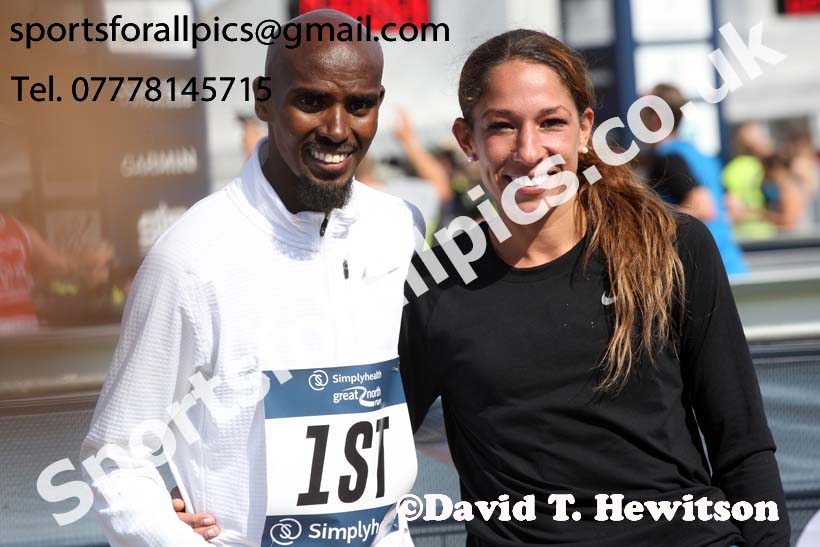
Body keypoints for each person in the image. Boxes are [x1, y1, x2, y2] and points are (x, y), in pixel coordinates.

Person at [179, 29, 789, 547]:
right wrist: (201, 496)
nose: (529, 153)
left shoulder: (675, 248)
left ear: (584, 130)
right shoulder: (432, 286)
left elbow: (743, 446)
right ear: (467, 139)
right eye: (502, 127)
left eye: (550, 123)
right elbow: (342, 439)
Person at [82, 10, 422, 546]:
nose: (337, 129)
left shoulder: (399, 228)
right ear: (264, 98)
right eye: (311, 101)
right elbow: (114, 459)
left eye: (359, 106)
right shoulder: (191, 257)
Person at [644, 84, 748, 275]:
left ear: (656, 119)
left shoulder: (668, 158)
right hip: (732, 266)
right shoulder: (701, 155)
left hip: (704, 272)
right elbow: (734, 207)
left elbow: (703, 206)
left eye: (641, 114)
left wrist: (647, 223)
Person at [0, 212, 111, 334]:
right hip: (24, 328)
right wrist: (90, 259)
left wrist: (89, 260)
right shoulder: (22, 231)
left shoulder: (22, 231)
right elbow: (61, 265)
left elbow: (59, 266)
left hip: (23, 330)